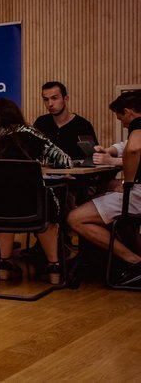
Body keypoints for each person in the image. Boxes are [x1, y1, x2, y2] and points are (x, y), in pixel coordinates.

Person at [0, 98, 72, 284]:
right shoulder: (29, 134)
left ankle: (6, 263)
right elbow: (65, 161)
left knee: (2, 201)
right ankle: (53, 265)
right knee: (45, 203)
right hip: (29, 207)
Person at [67, 90, 141, 286]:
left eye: (121, 119)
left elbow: (134, 149)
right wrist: (109, 151)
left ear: (129, 112)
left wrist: (127, 181)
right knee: (103, 187)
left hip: (139, 193)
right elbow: (126, 145)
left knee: (75, 219)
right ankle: (104, 255)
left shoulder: (138, 125)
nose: (122, 123)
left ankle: (133, 261)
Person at [33, 81, 97, 161]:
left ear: (66, 99)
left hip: (74, 172)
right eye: (46, 99)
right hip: (45, 172)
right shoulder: (41, 123)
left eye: (54, 98)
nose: (50, 104)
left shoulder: (82, 125)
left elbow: (92, 157)